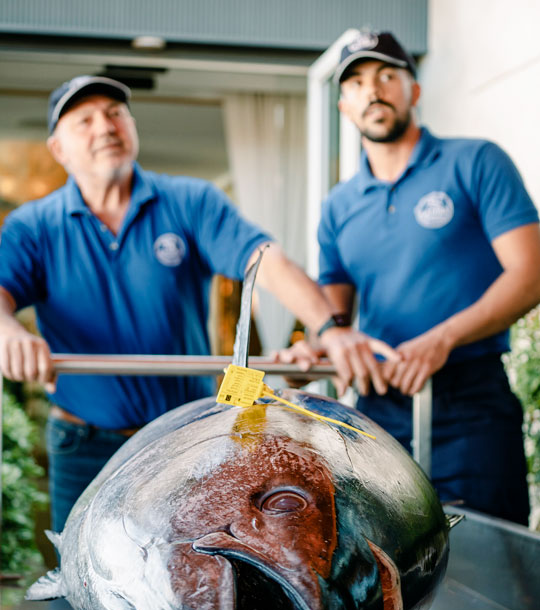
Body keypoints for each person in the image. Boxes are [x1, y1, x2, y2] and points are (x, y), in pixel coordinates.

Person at [0, 75, 398, 533]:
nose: (105, 127)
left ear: (131, 126)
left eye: (114, 114)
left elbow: (264, 261)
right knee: (81, 585)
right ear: (58, 149)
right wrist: (11, 332)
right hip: (83, 443)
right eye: (84, 120)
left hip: (182, 443)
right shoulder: (33, 225)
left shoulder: (190, 201)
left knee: (190, 584)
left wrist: (331, 328)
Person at [281, 31, 540, 525]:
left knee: (483, 576)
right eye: (357, 82)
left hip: (472, 404)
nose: (373, 90)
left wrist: (441, 340)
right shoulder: (338, 205)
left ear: (414, 90)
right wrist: (308, 351)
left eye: (386, 76)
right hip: (379, 416)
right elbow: (331, 316)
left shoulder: (476, 162)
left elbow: (530, 275)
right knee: (387, 574)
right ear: (343, 106)